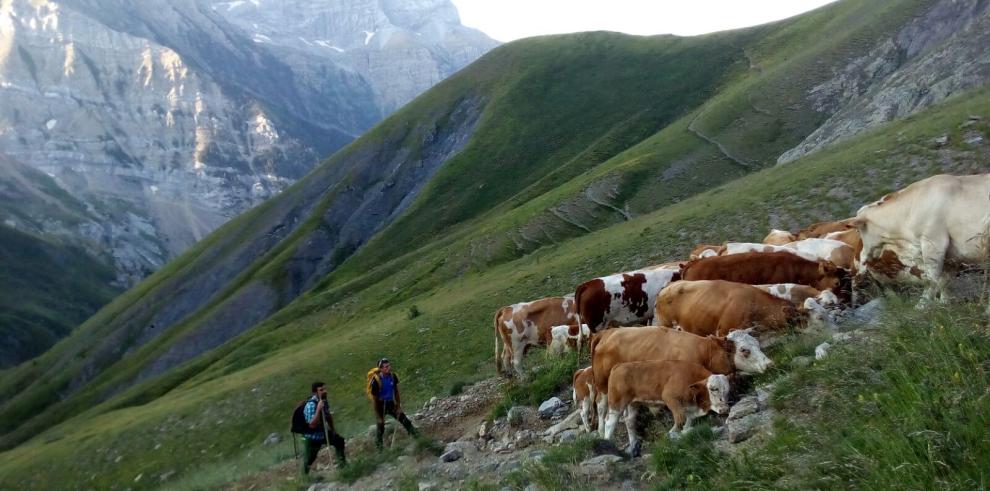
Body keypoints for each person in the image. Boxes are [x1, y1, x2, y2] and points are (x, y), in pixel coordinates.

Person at [369, 358, 418, 450]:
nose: (389, 368)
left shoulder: (393, 376)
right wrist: (378, 416)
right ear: (381, 369)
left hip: (390, 403)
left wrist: (398, 405)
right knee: (381, 428)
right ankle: (379, 449)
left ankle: (418, 438)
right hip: (380, 405)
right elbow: (374, 400)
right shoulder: (376, 381)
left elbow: (396, 391)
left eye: (389, 366)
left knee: (405, 420)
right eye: (386, 367)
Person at [302, 381, 346, 475]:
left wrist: (333, 430)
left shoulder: (324, 401)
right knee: (309, 459)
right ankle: (303, 478)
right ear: (315, 392)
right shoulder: (311, 405)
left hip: (323, 432)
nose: (324, 391)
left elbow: (328, 416)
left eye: (325, 389)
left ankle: (343, 467)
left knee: (339, 441)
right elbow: (312, 424)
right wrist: (318, 409)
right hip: (312, 437)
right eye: (321, 390)